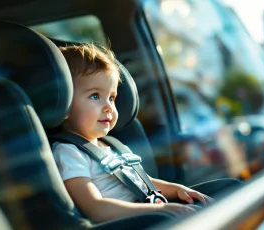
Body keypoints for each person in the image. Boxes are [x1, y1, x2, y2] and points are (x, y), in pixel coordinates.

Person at [52, 44, 215, 223]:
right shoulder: (68, 152)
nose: (108, 107)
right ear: (64, 106)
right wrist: (161, 209)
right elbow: (96, 208)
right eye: (95, 96)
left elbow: (142, 182)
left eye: (111, 98)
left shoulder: (112, 144)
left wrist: (176, 189)